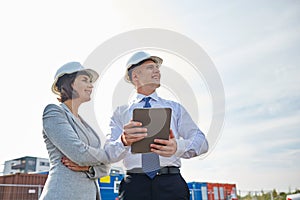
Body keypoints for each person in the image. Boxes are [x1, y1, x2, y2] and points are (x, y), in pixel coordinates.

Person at [104, 51, 209, 200]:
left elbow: (202, 142)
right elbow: (108, 153)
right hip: (134, 186)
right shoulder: (121, 113)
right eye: (150, 67)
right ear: (135, 76)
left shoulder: (175, 108)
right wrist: (123, 141)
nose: (157, 71)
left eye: (157, 68)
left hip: (171, 185)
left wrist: (177, 146)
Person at [40, 62, 110, 200]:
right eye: (85, 80)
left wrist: (89, 168)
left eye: (90, 82)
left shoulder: (84, 123)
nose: (91, 85)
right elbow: (79, 153)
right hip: (62, 194)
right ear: (70, 83)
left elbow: (107, 167)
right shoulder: (54, 112)